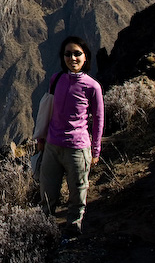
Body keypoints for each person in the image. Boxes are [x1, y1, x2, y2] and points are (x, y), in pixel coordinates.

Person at [36, 36, 104, 238]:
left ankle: (72, 234)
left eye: (77, 54)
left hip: (78, 149)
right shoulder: (56, 79)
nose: (72, 58)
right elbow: (47, 110)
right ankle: (43, 232)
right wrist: (41, 139)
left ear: (85, 57)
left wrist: (96, 151)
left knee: (77, 194)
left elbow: (98, 119)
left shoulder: (92, 87)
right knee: (47, 194)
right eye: (68, 54)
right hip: (52, 146)